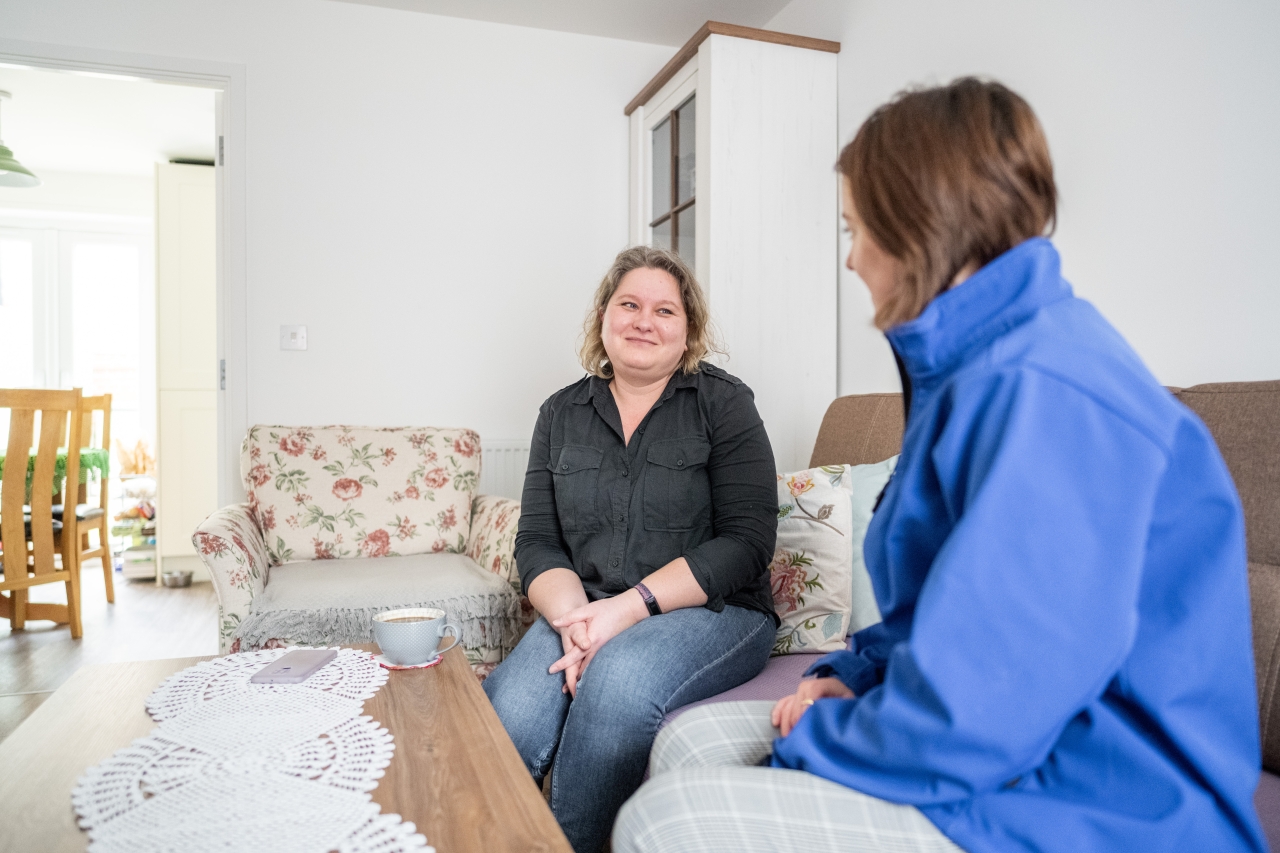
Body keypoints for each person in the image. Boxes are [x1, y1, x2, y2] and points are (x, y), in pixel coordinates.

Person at [613, 77, 1266, 852]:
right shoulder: (973, 372)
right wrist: (854, 679)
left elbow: (988, 699)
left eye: (856, 229)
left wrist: (826, 734)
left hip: (1100, 802)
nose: (852, 260)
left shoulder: (1052, 395)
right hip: (1016, 750)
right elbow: (951, 612)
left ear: (920, 225)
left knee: (662, 821)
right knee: (689, 745)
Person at [482, 245, 779, 853]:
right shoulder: (559, 413)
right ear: (603, 319)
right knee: (508, 711)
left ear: (688, 329)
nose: (645, 321)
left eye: (665, 310)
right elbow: (538, 541)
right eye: (630, 305)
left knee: (616, 684)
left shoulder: (725, 405)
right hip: (585, 607)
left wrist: (625, 612)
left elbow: (747, 544)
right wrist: (577, 623)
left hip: (714, 612)